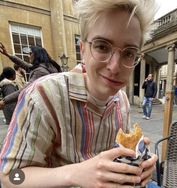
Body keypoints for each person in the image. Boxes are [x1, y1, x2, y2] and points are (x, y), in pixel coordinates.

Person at [0, 0, 157, 187]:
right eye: (102, 47)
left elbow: (116, 159)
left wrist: (137, 163)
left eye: (129, 53)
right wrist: (75, 173)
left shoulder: (122, 101)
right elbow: (9, 178)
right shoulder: (42, 96)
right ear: (83, 49)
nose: (115, 67)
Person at [0, 43, 61, 109]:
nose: (28, 56)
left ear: (37, 55)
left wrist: (4, 101)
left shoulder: (40, 71)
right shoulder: (47, 67)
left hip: (45, 108)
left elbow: (26, 89)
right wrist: (7, 54)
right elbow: (23, 64)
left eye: (30, 53)